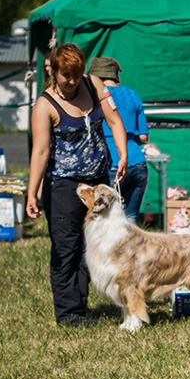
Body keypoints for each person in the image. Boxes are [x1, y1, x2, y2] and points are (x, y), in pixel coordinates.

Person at [26, 43, 128, 327]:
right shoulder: (45, 105)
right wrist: (32, 193)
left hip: (98, 182)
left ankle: (81, 308)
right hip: (64, 187)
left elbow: (113, 119)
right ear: (54, 72)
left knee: (91, 246)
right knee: (66, 248)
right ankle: (68, 313)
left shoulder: (93, 83)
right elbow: (41, 151)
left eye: (76, 74)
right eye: (66, 75)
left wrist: (123, 155)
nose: (72, 81)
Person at [90, 56, 150, 223]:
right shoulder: (132, 95)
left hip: (111, 165)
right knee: (129, 225)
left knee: (103, 223)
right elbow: (144, 137)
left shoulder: (94, 96)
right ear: (116, 75)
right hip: (138, 163)